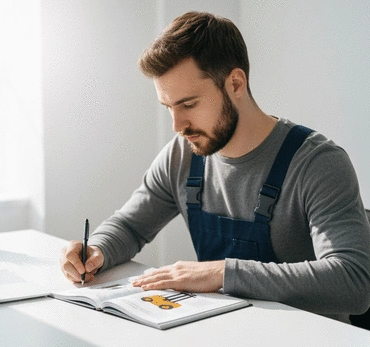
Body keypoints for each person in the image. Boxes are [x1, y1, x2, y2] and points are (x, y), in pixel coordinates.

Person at [60, 11, 370, 324]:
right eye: (169, 107)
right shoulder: (183, 156)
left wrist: (221, 272)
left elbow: (353, 280)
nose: (177, 125)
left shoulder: (318, 164)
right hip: (223, 341)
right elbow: (129, 226)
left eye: (189, 104)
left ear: (235, 83)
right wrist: (96, 250)